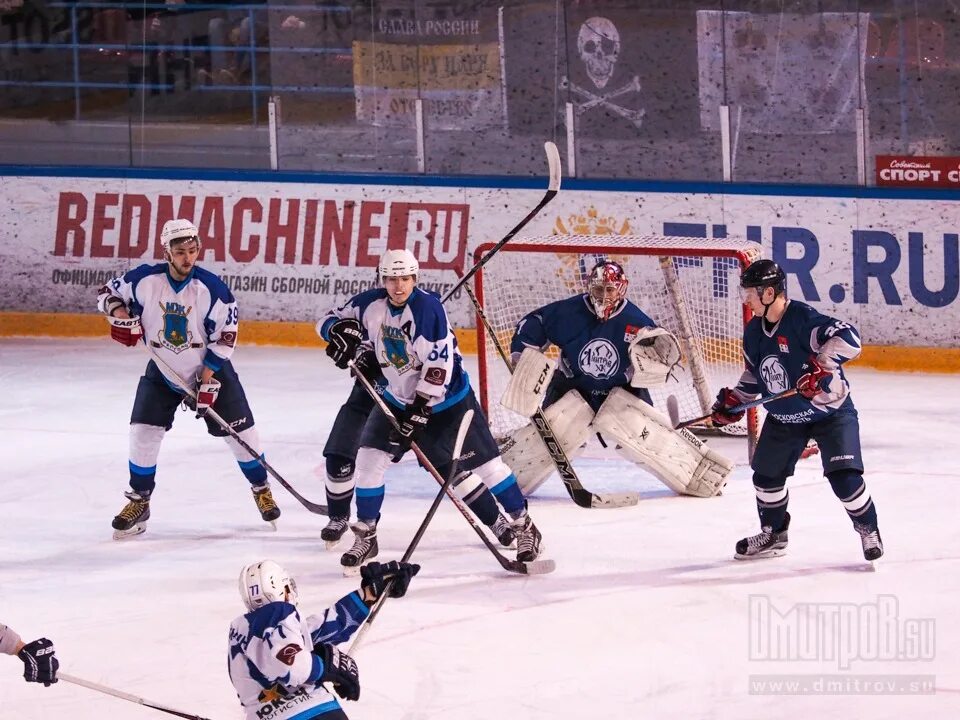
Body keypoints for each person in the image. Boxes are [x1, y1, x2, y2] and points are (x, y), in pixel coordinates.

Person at [317, 249, 545, 572]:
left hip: (448, 404)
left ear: (415, 278)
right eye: (392, 279)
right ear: (383, 279)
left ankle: (524, 525)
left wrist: (421, 407)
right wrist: (336, 332)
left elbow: (439, 368)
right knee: (368, 461)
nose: (398, 286)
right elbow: (326, 319)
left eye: (405, 279)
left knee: (489, 467)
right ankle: (367, 534)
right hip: (396, 399)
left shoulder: (428, 309)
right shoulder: (370, 304)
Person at [96, 218, 280, 539]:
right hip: (163, 370)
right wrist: (121, 313)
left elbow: (226, 337)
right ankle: (140, 500)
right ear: (166, 252)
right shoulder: (145, 279)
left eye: (192, 251)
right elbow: (108, 292)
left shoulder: (212, 289)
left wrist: (207, 378)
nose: (187, 258)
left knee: (242, 435)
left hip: (210, 371)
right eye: (180, 252)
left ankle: (261, 488)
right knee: (143, 432)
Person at [504, 259, 733, 498]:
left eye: (610, 289)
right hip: (573, 385)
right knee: (549, 438)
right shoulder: (568, 312)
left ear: (621, 289)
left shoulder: (638, 322)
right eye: (598, 289)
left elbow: (654, 358)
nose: (604, 296)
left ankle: (700, 476)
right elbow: (535, 322)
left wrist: (654, 366)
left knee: (650, 439)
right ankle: (504, 483)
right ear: (589, 287)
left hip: (621, 390)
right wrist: (522, 354)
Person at [711, 259, 883, 562]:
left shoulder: (803, 319)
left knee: (845, 479)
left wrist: (822, 365)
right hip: (785, 416)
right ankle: (773, 535)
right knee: (765, 478)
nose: (746, 300)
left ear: (768, 293)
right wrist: (736, 400)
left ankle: (868, 528)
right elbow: (755, 374)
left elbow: (851, 339)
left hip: (830, 412)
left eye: (750, 293)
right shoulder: (753, 331)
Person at [318, 374, 517, 553]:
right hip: (371, 393)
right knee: (340, 456)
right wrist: (342, 342)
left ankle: (494, 519)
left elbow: (436, 362)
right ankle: (339, 518)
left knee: (448, 468)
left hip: (415, 400)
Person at [231, 559, 419, 720]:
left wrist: (369, 594)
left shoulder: (252, 632)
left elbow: (320, 630)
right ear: (282, 589)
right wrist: (325, 668)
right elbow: (293, 665)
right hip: (313, 712)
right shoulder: (278, 613)